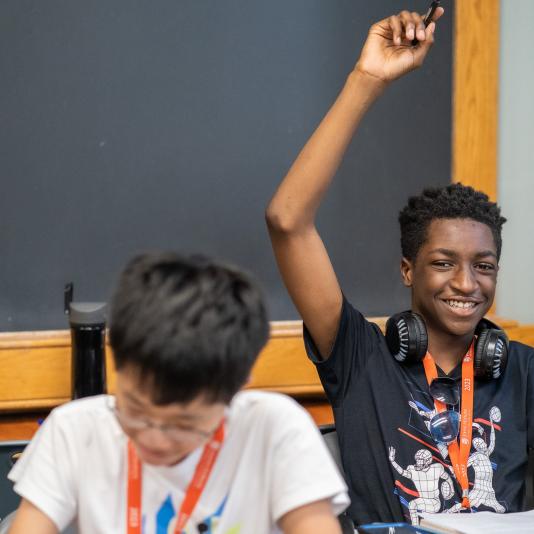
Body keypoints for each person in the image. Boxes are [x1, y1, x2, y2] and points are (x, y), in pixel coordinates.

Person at [266, 6, 534, 527]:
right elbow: (287, 221)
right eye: (443, 263)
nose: (466, 283)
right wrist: (366, 79)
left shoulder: (523, 372)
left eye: (484, 266)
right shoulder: (360, 358)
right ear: (408, 270)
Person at [7, 252, 349, 533]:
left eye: (183, 424)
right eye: (134, 412)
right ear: (118, 365)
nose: (155, 439)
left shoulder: (274, 428)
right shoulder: (74, 430)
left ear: (236, 387)